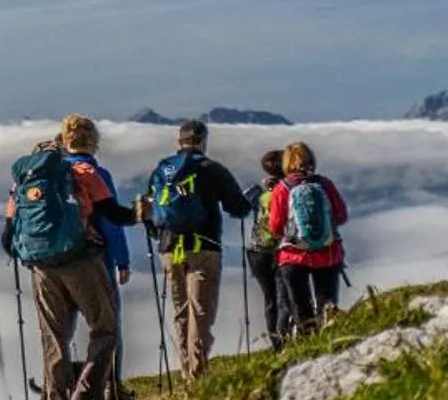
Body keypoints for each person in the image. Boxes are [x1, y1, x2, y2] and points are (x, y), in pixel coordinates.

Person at [3, 116, 138, 400]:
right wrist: (139, 213)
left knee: (54, 336)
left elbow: (8, 235)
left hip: (41, 268)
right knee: (104, 329)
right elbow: (114, 215)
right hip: (82, 261)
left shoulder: (23, 183)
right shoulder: (83, 171)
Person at [140, 120, 254, 379]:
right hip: (205, 246)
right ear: (203, 141)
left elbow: (148, 209)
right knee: (200, 311)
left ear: (178, 141)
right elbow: (238, 208)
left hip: (169, 248)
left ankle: (185, 371)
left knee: (180, 309)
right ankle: (198, 375)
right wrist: (252, 199)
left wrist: (158, 236)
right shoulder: (212, 169)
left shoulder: (162, 170)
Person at [266, 141, 350, 334]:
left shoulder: (282, 189)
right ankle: (329, 341)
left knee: (301, 309)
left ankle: (307, 345)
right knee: (327, 306)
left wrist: (294, 236)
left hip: (293, 257)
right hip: (328, 254)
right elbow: (341, 215)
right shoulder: (325, 184)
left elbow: (275, 226)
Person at [244, 148, 288, 346]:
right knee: (284, 297)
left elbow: (239, 208)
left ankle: (276, 343)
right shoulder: (287, 189)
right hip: (280, 249)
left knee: (270, 300)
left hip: (256, 251)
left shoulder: (257, 190)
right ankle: (286, 338)